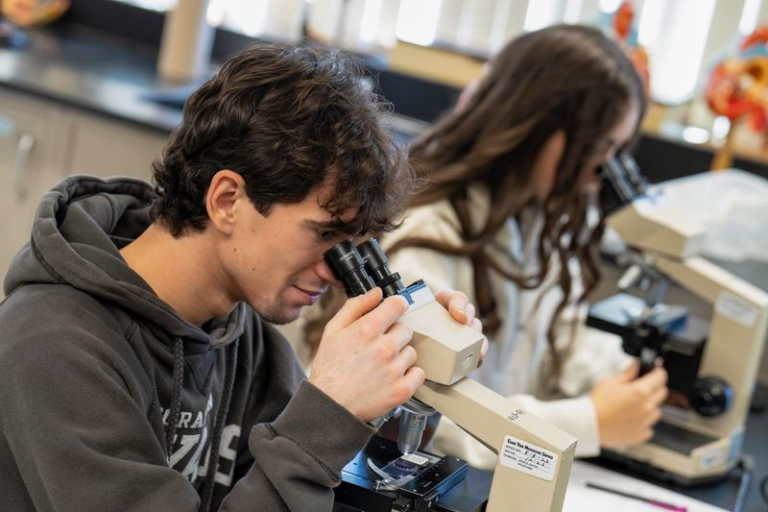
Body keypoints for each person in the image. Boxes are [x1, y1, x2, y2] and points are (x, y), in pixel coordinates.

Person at [0, 43, 483, 511]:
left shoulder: (239, 330)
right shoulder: (53, 346)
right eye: (324, 235)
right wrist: (327, 413)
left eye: (351, 248)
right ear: (228, 200)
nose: (335, 274)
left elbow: (311, 477)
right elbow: (304, 452)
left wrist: (411, 376)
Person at [299, 24, 669, 469]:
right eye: (599, 148)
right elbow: (431, 428)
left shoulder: (541, 219)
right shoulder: (430, 238)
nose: (600, 175)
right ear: (536, 127)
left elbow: (558, 340)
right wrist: (590, 421)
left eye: (616, 151)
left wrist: (632, 381)